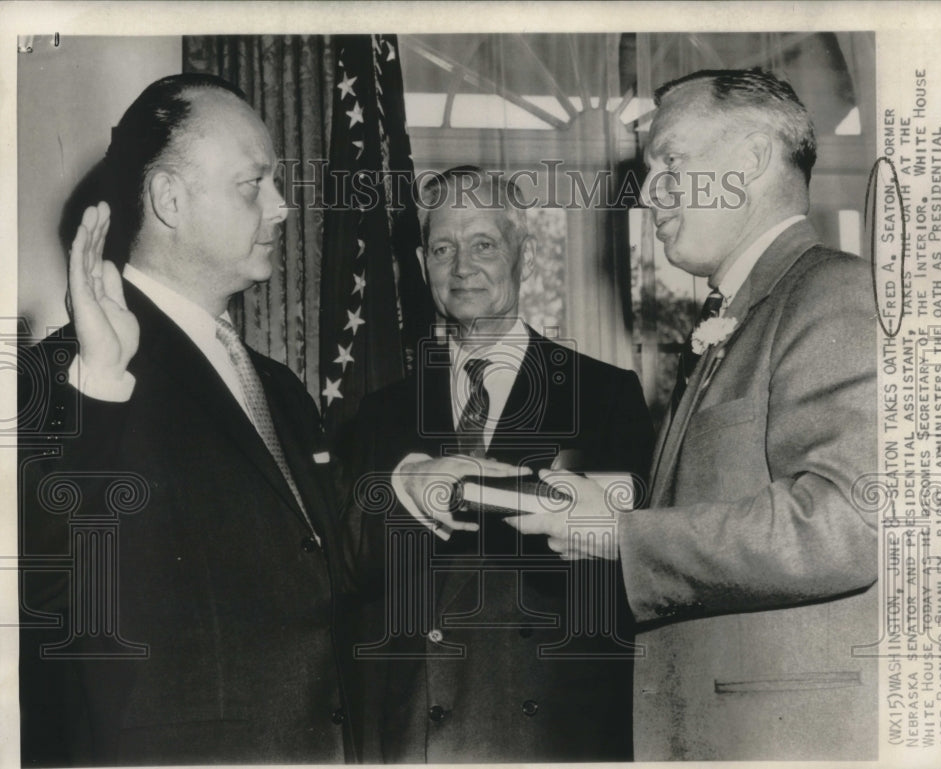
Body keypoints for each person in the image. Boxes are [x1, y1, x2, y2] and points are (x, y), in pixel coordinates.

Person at [509, 68, 878, 760]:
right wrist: (606, 505)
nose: (648, 193)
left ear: (752, 160)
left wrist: (621, 534)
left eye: (671, 161)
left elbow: (842, 525)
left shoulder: (834, 293)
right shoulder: (732, 315)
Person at [18, 74, 355, 765]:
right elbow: (47, 595)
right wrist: (103, 385)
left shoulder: (281, 390)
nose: (283, 207)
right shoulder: (67, 373)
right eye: (252, 184)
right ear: (170, 199)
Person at [342, 166, 655, 762]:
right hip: (414, 730)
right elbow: (356, 570)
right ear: (421, 261)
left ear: (525, 255)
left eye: (484, 243)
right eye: (442, 248)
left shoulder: (605, 394)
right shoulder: (380, 413)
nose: (462, 267)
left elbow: (634, 564)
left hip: (549, 726)